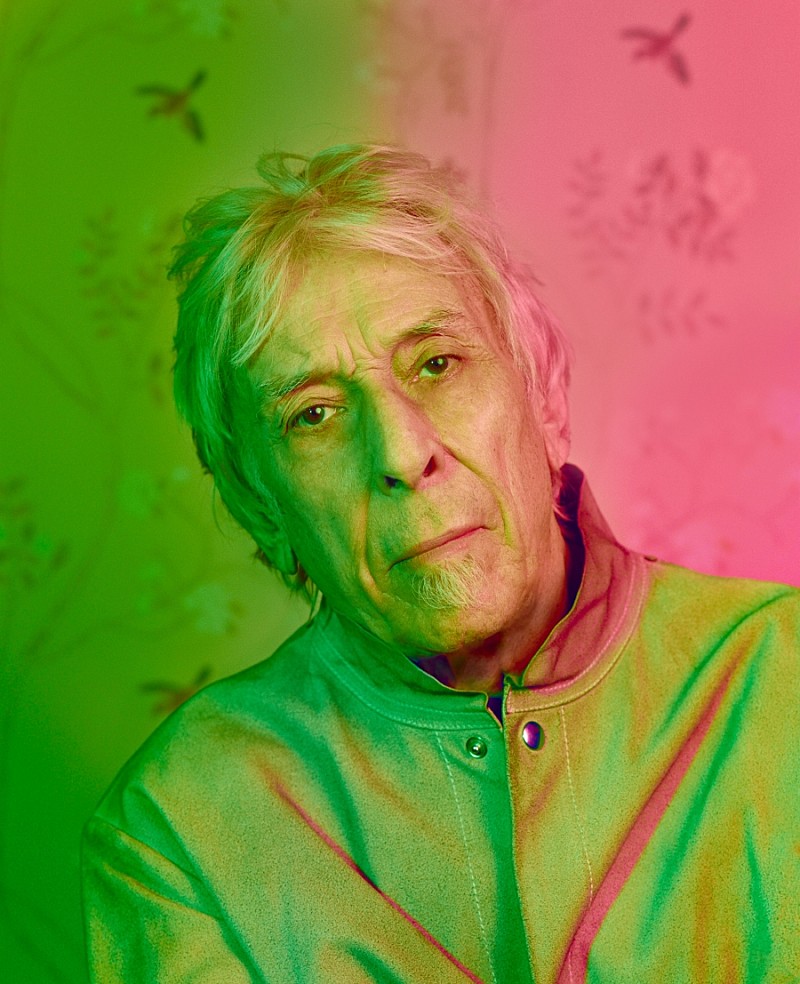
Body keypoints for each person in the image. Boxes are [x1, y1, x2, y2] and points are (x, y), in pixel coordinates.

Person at [81, 144, 800, 983]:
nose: (400, 451)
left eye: (436, 364)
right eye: (314, 415)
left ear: (545, 400)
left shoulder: (781, 676)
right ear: (261, 507)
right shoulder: (176, 834)